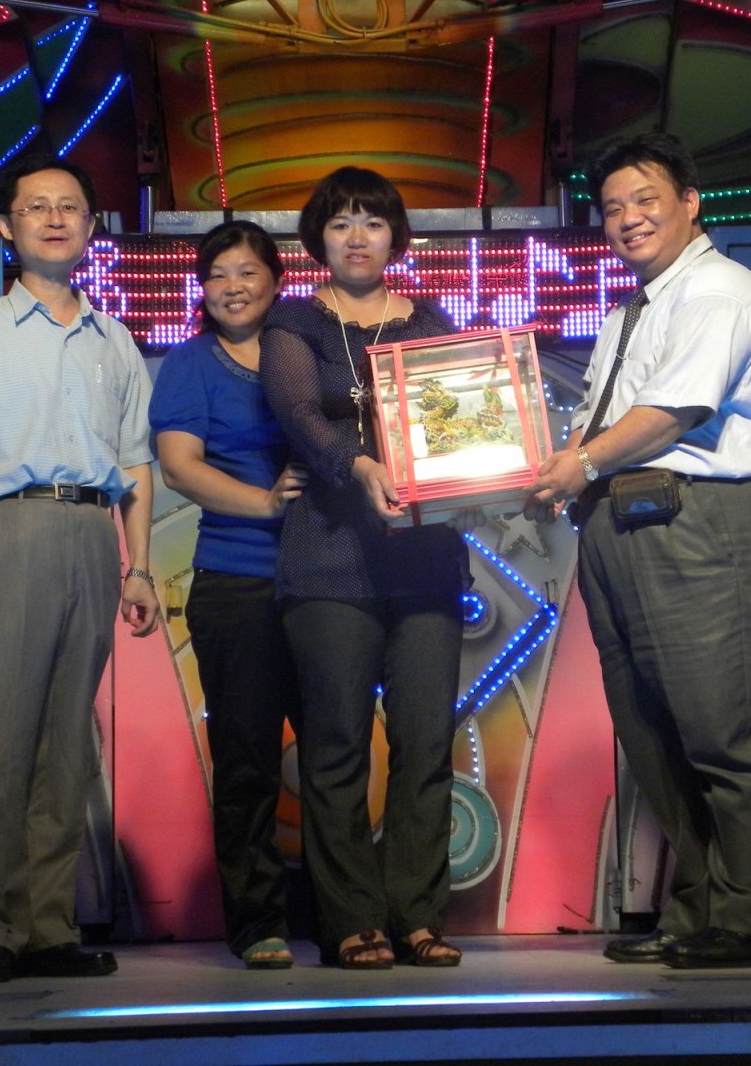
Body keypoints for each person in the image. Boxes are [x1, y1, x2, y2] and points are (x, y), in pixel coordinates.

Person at [527, 132, 751, 969]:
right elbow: (604, 423)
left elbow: (673, 412)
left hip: (702, 521)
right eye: (613, 208)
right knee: (652, 730)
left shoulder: (717, 291)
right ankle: (697, 913)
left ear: (690, 202)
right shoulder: (629, 311)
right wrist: (564, 465)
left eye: (646, 199)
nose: (629, 218)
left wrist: (579, 464)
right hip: (626, 522)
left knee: (720, 725)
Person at [0, 151, 159, 986]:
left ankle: (51, 925)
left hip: (92, 534)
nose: (55, 218)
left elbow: (136, 462)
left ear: (90, 227)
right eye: (37, 206)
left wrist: (139, 566)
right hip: (8, 532)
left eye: (70, 206)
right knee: (5, 738)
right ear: (6, 227)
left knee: (67, 745)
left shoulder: (114, 339)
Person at [260, 166, 469, 970]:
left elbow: (464, 421)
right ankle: (351, 919)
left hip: (424, 560)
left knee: (425, 741)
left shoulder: (432, 320)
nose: (357, 237)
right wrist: (356, 464)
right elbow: (299, 415)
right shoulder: (294, 324)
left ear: (395, 237)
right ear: (319, 238)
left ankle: (418, 916)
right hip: (328, 557)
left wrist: (498, 473)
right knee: (337, 743)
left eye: (373, 222)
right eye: (341, 222)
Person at [150, 221, 307, 969]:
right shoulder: (190, 364)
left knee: (334, 756)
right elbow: (179, 467)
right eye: (217, 275)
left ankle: (347, 920)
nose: (233, 287)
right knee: (247, 760)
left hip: (325, 582)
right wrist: (266, 504)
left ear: (277, 280)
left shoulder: (309, 353)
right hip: (236, 581)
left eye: (247, 271)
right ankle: (257, 923)